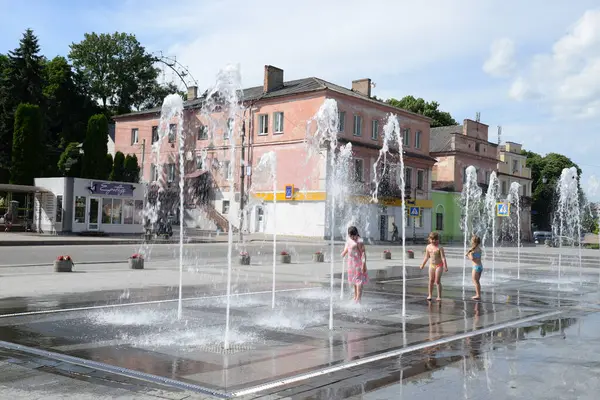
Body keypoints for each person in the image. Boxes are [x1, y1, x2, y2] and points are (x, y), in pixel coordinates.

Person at [341, 226, 368, 303]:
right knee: (354, 280)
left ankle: (358, 299)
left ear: (356, 234)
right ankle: (355, 297)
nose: (352, 237)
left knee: (358, 281)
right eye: (350, 236)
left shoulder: (359, 241)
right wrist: (344, 253)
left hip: (358, 264)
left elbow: (363, 253)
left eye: (354, 235)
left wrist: (363, 264)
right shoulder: (350, 239)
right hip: (351, 263)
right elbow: (348, 246)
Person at [419, 232, 448, 301]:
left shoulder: (440, 247)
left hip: (439, 266)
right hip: (431, 265)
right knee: (431, 280)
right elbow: (426, 257)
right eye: (432, 239)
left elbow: (443, 258)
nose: (434, 241)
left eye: (435, 239)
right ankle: (430, 295)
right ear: (429, 239)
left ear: (438, 240)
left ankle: (439, 296)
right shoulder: (428, 247)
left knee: (437, 281)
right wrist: (422, 264)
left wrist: (445, 266)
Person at [466, 235, 483, 300]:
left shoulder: (473, 250)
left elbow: (472, 259)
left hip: (475, 267)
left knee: (475, 281)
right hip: (480, 266)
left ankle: (478, 295)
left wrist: (469, 255)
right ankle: (478, 294)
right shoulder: (479, 249)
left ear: (473, 242)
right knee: (477, 281)